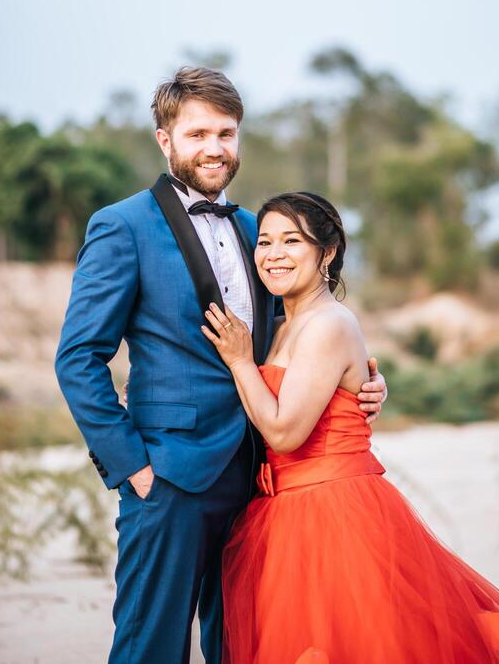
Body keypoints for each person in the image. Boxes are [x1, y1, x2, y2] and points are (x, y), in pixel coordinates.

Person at [54, 68, 386, 664]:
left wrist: (357, 382)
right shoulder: (121, 226)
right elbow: (78, 358)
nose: (214, 148)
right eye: (198, 133)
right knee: (150, 646)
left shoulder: (259, 232)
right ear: (165, 140)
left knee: (243, 646)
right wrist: (133, 466)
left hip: (262, 478)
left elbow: (294, 338)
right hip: (169, 477)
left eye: (226, 134)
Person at [203, 191, 499, 664]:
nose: (273, 254)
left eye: (292, 241)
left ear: (327, 252)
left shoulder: (329, 324)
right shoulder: (281, 325)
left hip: (336, 514)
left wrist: (242, 362)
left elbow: (285, 434)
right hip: (282, 510)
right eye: (265, 242)